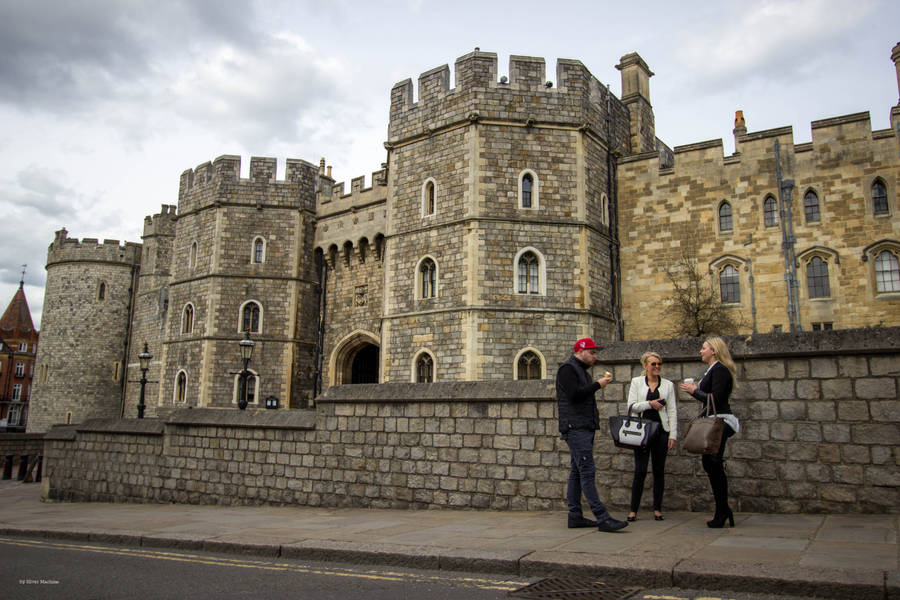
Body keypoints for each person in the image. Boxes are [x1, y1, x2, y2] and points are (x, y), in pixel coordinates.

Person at [556, 337, 628, 532]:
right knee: (587, 471)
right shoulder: (567, 369)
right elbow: (574, 395)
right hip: (575, 427)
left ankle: (575, 516)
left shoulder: (580, 371)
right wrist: (598, 384)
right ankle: (602, 518)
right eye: (592, 352)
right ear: (580, 351)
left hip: (583, 426)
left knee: (577, 472)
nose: (595, 356)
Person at [679, 336, 741, 528]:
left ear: (713, 351)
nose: (701, 351)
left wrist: (694, 391)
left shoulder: (720, 370)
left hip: (721, 421)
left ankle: (722, 511)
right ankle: (723, 509)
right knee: (711, 464)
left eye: (704, 348)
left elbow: (715, 398)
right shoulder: (713, 370)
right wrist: (696, 389)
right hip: (716, 420)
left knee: (713, 463)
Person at [625, 351, 677, 522]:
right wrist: (650, 404)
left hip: (661, 431)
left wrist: (673, 435)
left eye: (659, 364)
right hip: (642, 432)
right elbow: (631, 406)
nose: (657, 367)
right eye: (653, 364)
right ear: (645, 366)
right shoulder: (637, 382)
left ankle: (657, 509)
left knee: (659, 471)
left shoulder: (668, 385)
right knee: (640, 471)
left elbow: (672, 410)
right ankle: (633, 510)